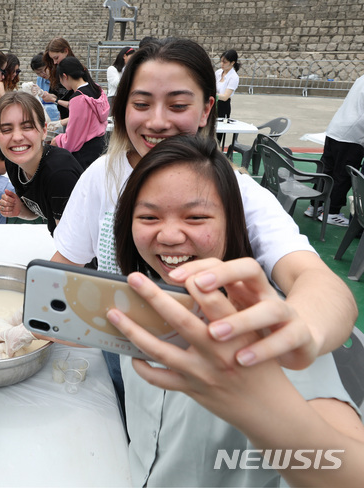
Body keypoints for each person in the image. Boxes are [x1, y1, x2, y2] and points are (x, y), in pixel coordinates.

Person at [52, 38, 356, 414]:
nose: (158, 121)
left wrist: (303, 333)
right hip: (125, 353)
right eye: (142, 103)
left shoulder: (236, 190)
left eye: (178, 105)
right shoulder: (103, 176)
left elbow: (317, 281)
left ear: (205, 108)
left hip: (216, 369)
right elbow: (65, 266)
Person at [107, 134, 364, 487]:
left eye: (196, 217)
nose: (168, 235)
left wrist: (263, 407)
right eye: (149, 217)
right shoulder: (136, 298)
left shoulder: (262, 328)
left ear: (234, 224)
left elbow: (346, 471)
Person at [0, 91, 83, 235]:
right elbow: (39, 210)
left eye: (27, 127)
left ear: (44, 130)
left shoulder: (60, 174)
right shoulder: (13, 164)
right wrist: (20, 210)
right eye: (6, 129)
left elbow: (74, 246)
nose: (17, 137)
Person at [304, 74, 364, 227]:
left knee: (326, 170)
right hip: (352, 134)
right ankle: (332, 212)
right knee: (342, 176)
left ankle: (315, 206)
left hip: (336, 128)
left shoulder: (361, 78)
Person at [51, 56, 109, 169]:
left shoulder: (78, 98)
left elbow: (73, 139)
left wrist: (57, 140)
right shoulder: (96, 89)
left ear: (64, 76)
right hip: (100, 146)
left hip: (85, 153)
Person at [40, 37, 77, 121]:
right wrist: (45, 94)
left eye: (56, 58)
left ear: (66, 51)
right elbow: (56, 93)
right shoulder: (56, 71)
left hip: (76, 118)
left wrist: (54, 99)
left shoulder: (77, 71)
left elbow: (78, 105)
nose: (54, 62)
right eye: (52, 59)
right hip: (64, 116)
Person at [30, 52, 60, 123]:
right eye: (38, 73)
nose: (41, 74)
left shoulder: (59, 76)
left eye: (42, 71)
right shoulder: (40, 79)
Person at [215, 49, 240, 120]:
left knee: (220, 128)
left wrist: (211, 94)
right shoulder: (218, 72)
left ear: (232, 63)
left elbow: (225, 97)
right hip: (214, 103)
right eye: (221, 61)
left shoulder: (234, 77)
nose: (222, 64)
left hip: (223, 106)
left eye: (225, 62)